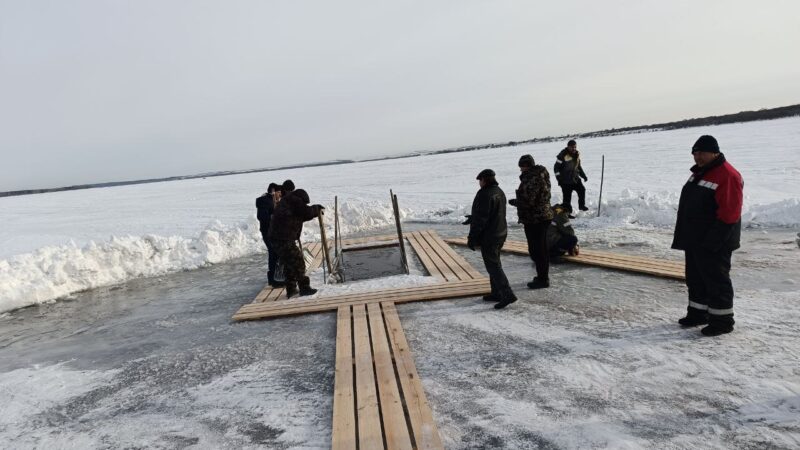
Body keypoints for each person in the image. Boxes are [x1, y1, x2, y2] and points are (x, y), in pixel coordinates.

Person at [672, 135, 743, 336]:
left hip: (715, 241)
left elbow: (729, 214)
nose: (697, 157)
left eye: (702, 153)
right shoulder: (700, 172)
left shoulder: (727, 175)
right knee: (696, 279)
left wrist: (714, 241)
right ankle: (698, 313)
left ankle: (722, 321)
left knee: (716, 281)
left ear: (714, 152)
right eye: (695, 153)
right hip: (696, 239)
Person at [466, 169, 517, 309]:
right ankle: (496, 293)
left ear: (484, 180)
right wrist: (473, 218)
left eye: (480, 180)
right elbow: (492, 213)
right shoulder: (499, 191)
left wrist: (472, 237)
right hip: (500, 233)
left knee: (493, 266)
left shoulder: (484, 194)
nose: (479, 183)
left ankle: (507, 294)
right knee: (494, 263)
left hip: (490, 236)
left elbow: (482, 218)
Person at [268, 181, 325, 299]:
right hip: (283, 238)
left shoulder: (287, 202)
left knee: (289, 263)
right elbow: (307, 212)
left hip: (277, 238)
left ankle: (291, 289)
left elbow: (301, 215)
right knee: (298, 261)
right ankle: (304, 288)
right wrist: (316, 208)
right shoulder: (294, 200)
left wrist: (313, 211)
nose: (304, 205)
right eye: (304, 203)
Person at [509, 154, 553, 289]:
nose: (521, 169)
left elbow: (529, 201)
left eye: (522, 167)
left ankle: (543, 279)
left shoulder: (532, 178)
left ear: (527, 166)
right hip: (541, 216)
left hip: (536, 218)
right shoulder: (541, 174)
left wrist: (515, 202)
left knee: (538, 250)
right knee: (540, 249)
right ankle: (542, 277)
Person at [256, 182, 282, 286]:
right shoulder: (264, 201)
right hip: (267, 232)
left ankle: (277, 276)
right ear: (273, 191)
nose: (280, 194)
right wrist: (274, 217)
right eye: (279, 192)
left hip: (274, 232)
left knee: (276, 253)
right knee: (273, 252)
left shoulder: (274, 201)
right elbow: (261, 217)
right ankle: (272, 279)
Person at [554, 139, 589, 211]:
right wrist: (559, 179)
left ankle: (581, 206)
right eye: (572, 147)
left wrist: (583, 176)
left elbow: (578, 167)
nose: (574, 148)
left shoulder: (577, 155)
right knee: (567, 200)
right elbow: (556, 168)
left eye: (575, 147)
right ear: (568, 147)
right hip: (565, 181)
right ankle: (567, 212)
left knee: (582, 190)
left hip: (575, 179)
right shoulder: (562, 155)